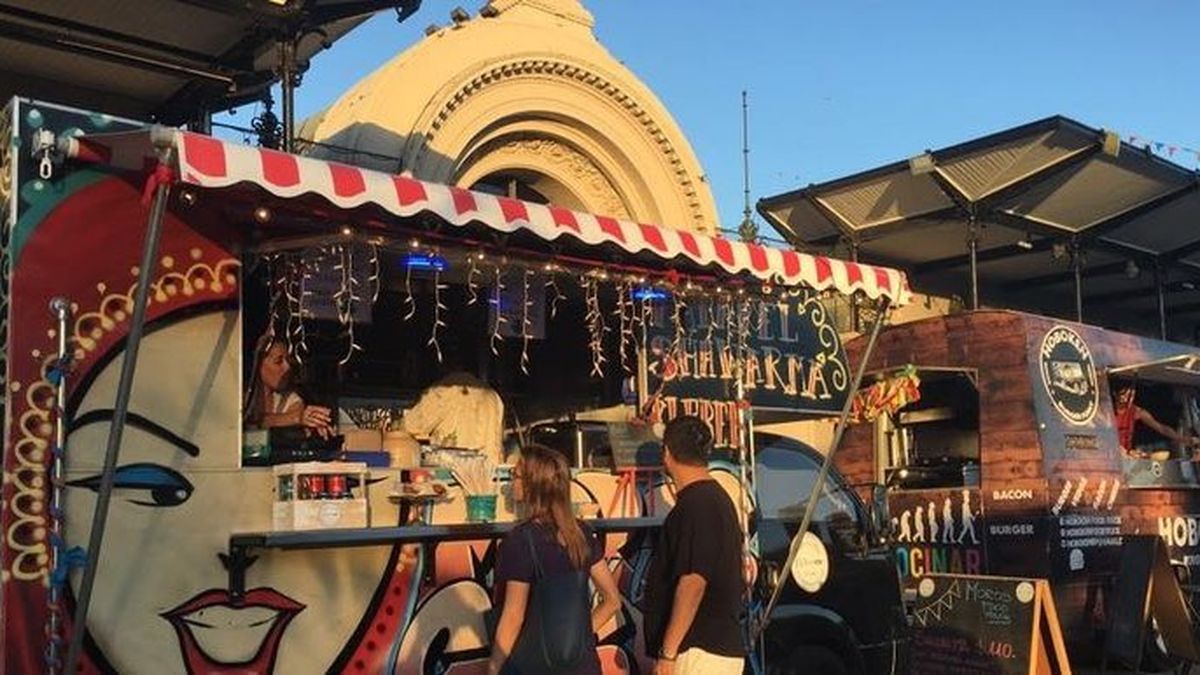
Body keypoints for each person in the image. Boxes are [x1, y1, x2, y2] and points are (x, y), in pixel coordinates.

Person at [488, 445, 621, 675]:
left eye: (516, 475)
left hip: (533, 666)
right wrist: (578, 636)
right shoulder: (580, 533)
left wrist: (493, 667)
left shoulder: (520, 541)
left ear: (533, 484)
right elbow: (612, 600)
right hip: (584, 665)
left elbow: (513, 616)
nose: (512, 482)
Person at [645, 416, 745, 674]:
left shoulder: (696, 505)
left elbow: (693, 582)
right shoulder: (716, 499)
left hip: (698, 653)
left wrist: (668, 653)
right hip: (714, 650)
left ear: (667, 453)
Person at [400, 358, 505, 464]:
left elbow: (412, 425)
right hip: (490, 472)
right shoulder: (493, 395)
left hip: (455, 472)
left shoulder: (443, 390)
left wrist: (396, 426)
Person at [243, 333, 333, 438]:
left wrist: (314, 421)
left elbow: (296, 414)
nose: (287, 367)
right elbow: (249, 421)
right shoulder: (239, 397)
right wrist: (297, 418)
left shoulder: (291, 399)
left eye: (288, 361)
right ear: (257, 365)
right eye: (278, 361)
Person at [1113, 384, 1200, 457]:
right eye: (1124, 395)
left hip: (1126, 457)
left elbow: (1161, 428)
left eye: (1131, 395)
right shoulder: (1107, 412)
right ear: (1115, 394)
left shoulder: (1136, 411)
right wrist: (1120, 450)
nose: (1128, 399)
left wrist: (1183, 439)